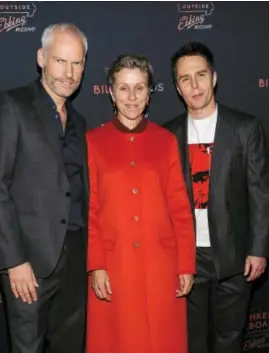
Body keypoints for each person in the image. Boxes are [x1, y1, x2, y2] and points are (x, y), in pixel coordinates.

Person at [0, 23, 89, 353]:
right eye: (61, 61)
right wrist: (13, 261)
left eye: (77, 64)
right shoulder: (10, 106)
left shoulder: (79, 121)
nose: (69, 73)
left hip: (75, 258)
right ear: (41, 58)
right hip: (28, 262)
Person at [163, 41, 269, 353]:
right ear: (177, 88)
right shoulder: (167, 135)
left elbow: (260, 193)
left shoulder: (245, 129)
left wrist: (259, 249)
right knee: (192, 343)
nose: (194, 85)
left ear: (214, 77)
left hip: (234, 255)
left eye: (200, 75)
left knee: (229, 341)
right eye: (185, 79)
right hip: (186, 257)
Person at [86, 54, 196, 353]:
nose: (131, 97)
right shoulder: (93, 141)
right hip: (113, 267)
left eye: (139, 88)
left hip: (162, 266)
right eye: (124, 88)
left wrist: (185, 263)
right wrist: (96, 264)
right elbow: (90, 208)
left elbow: (179, 207)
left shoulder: (166, 140)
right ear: (111, 92)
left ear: (150, 93)